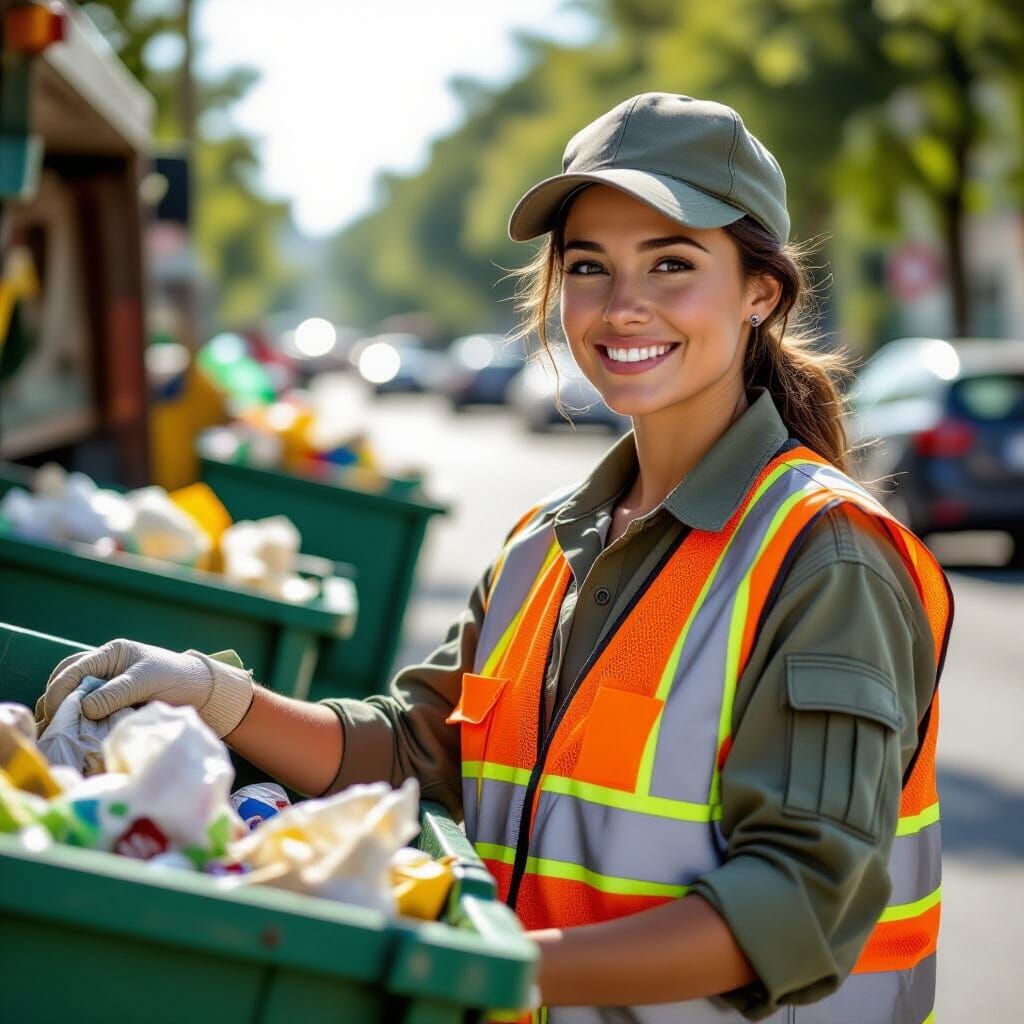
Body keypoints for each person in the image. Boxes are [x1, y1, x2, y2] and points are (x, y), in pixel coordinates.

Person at [38, 94, 952, 1023]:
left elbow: (796, 913)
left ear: (761, 292)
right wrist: (214, 695)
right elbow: (418, 752)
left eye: (673, 263)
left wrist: (474, 960)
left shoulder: (826, 556)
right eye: (588, 266)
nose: (622, 304)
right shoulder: (540, 547)